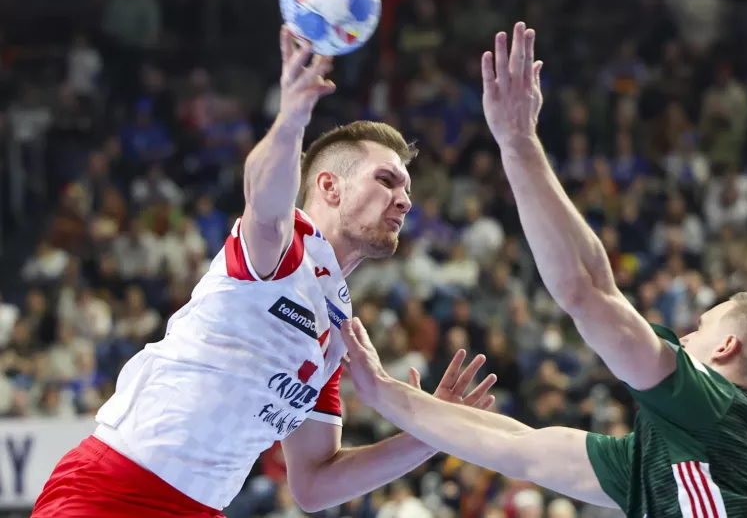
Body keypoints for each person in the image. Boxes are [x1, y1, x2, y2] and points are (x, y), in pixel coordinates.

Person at [338, 23, 747, 518]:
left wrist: (519, 144)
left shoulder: (709, 403)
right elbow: (521, 450)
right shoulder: (675, 456)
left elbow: (587, 290)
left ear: (726, 347)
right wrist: (385, 395)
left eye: (698, 328)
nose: (684, 338)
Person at [31, 27, 496, 518]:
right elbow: (263, 197)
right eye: (386, 180)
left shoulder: (336, 327)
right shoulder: (282, 246)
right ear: (329, 186)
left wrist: (435, 432)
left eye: (406, 187)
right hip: (112, 492)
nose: (405, 199)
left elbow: (315, 485)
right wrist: (292, 117)